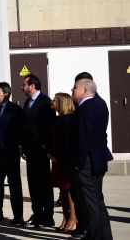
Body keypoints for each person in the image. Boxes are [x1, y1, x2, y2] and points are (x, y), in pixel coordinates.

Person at [69, 78, 113, 239]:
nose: (72, 89)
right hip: (97, 160)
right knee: (97, 203)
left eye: (75, 87)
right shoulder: (99, 104)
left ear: (84, 90)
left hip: (87, 162)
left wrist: (77, 164)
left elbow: (83, 139)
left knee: (90, 206)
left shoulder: (86, 108)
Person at [0, 82, 24, 225]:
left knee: (14, 185)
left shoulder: (15, 109)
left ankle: (18, 216)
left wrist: (18, 146)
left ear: (6, 94)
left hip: (10, 152)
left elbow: (20, 130)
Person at [21, 74, 56, 227]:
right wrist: (23, 146)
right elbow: (25, 127)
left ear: (32, 86)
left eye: (24, 84)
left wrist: (45, 146)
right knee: (33, 184)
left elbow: (48, 128)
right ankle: (37, 214)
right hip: (30, 150)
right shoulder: (28, 102)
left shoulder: (45, 102)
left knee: (44, 185)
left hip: (41, 151)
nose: (22, 87)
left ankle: (48, 217)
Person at [48, 93, 77, 233]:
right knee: (62, 190)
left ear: (62, 102)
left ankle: (73, 217)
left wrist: (58, 156)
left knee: (68, 189)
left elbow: (67, 143)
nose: (52, 101)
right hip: (56, 159)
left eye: (54, 99)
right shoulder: (57, 119)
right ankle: (65, 218)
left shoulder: (69, 119)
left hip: (64, 159)